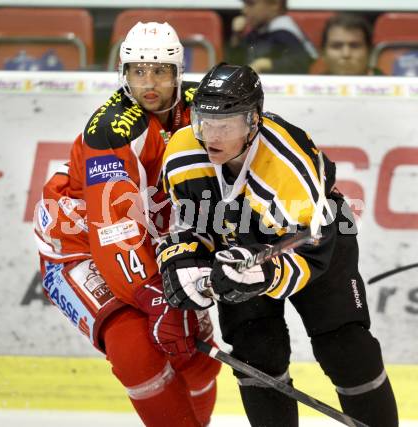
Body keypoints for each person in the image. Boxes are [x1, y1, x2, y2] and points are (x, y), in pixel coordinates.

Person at [158, 63, 399, 427]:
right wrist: (181, 258)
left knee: (346, 348)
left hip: (318, 238)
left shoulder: (286, 171)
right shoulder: (181, 155)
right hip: (236, 242)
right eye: (204, 121)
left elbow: (312, 247)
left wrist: (266, 273)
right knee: (256, 352)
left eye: (227, 124)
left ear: (253, 121)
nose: (212, 136)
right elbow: (185, 221)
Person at [33, 22, 220, 427]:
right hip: (79, 246)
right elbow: (112, 231)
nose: (149, 83)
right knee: (136, 351)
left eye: (160, 72)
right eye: (138, 71)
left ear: (179, 73)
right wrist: (155, 297)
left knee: (197, 357)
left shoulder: (202, 110)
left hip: (149, 237)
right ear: (123, 74)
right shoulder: (111, 132)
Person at [226, 0, 317, 74]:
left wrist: (265, 64)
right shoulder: (259, 31)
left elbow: (300, 64)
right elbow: (235, 64)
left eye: (250, 4)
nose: (244, 10)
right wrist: (236, 37)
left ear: (275, 4)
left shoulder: (285, 33)